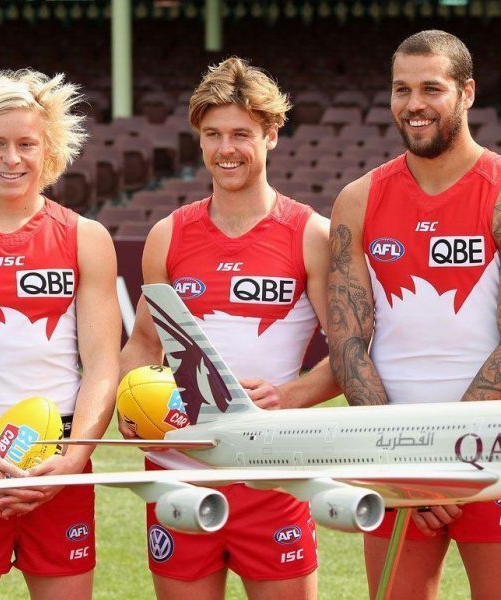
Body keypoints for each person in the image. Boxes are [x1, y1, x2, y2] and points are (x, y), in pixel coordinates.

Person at [327, 30, 501, 600]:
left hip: (494, 454)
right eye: (401, 89)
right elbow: (349, 344)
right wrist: (405, 469)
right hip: (394, 460)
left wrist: (446, 464)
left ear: (467, 92)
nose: (414, 104)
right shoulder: (358, 200)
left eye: (432, 88)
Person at [119, 57, 338, 600]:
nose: (226, 149)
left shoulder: (311, 234)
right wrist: (131, 404)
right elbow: (145, 343)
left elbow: (352, 354)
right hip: (177, 470)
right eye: (212, 134)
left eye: (241, 133)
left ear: (270, 134)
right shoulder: (168, 234)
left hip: (270, 470)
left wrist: (289, 395)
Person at [0, 70, 120, 599]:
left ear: (51, 150)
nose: (11, 158)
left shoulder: (85, 237)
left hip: (58, 474)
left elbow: (103, 363)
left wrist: (70, 461)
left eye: (26, 144)